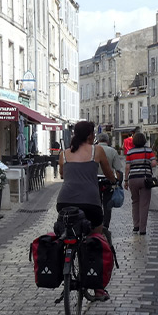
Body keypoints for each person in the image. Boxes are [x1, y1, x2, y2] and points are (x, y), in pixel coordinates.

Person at [57, 120, 117, 300]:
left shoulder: (64, 154)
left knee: (69, 235)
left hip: (64, 202)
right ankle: (98, 288)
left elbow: (62, 174)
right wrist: (114, 181)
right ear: (90, 135)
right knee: (96, 240)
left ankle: (66, 272)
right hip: (90, 203)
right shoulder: (96, 151)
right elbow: (108, 173)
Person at [124, 132, 157, 235]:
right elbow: (154, 163)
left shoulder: (130, 152)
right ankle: (142, 229)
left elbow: (127, 167)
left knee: (135, 202)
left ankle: (136, 226)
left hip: (133, 179)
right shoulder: (148, 150)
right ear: (144, 140)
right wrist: (148, 163)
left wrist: (125, 180)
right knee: (144, 204)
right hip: (145, 179)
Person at [94, 133, 124, 231]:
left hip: (95, 180)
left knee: (97, 202)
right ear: (107, 141)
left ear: (98, 140)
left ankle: (97, 223)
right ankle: (106, 225)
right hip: (108, 180)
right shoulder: (113, 151)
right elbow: (118, 169)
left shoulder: (93, 150)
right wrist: (118, 182)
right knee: (107, 204)